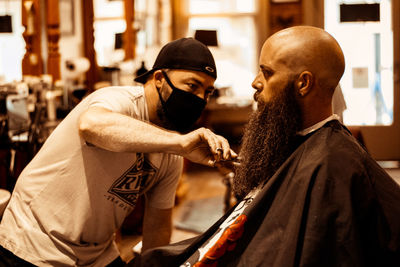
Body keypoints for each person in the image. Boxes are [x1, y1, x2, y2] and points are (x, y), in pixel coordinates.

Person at [130, 26, 400, 267]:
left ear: (303, 83)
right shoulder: (295, 144)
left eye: (267, 72)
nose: (255, 82)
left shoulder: (332, 165)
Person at [0, 37, 237, 266]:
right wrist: (180, 143)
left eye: (206, 92)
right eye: (192, 85)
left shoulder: (171, 151)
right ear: (159, 79)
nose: (199, 99)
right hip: (33, 241)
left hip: (95, 254)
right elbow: (91, 125)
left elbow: (157, 228)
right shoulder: (119, 100)